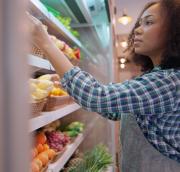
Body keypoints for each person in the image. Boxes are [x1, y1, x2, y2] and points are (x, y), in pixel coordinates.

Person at [28, 0, 180, 171]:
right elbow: (116, 111)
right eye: (139, 23)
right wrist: (69, 87)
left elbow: (96, 96)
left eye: (149, 22)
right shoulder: (155, 77)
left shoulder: (169, 82)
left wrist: (45, 42)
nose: (137, 29)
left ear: (174, 30)